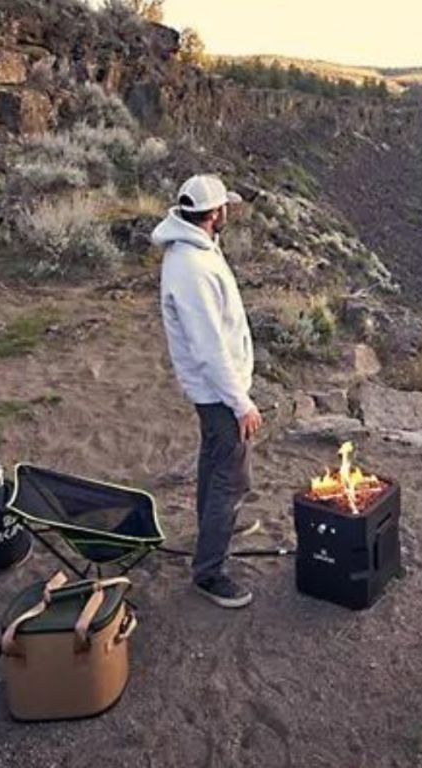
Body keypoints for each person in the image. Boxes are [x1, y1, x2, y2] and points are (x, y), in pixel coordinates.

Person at [153, 174, 263, 608]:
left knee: (215, 463)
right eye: (225, 208)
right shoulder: (191, 267)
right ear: (214, 214)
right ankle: (209, 572)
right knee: (231, 479)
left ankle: (213, 529)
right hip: (218, 393)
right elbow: (208, 346)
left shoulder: (194, 250)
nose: (228, 214)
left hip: (215, 389)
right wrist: (241, 402)